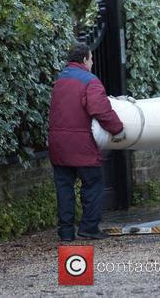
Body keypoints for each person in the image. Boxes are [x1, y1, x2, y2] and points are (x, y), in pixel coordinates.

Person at [48, 43, 125, 241]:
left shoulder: (60, 79)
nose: (92, 63)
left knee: (64, 188)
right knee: (93, 184)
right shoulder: (90, 81)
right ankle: (89, 228)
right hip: (81, 143)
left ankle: (66, 233)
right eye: (91, 59)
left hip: (58, 143)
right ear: (84, 59)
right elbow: (101, 110)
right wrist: (117, 128)